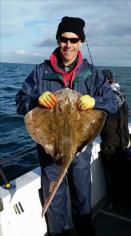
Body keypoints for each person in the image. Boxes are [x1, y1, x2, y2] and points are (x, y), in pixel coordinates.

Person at [15, 17, 118, 236]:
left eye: (74, 39)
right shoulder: (40, 72)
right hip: (50, 151)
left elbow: (111, 102)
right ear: (58, 39)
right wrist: (36, 100)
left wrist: (95, 101)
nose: (68, 45)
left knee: (82, 196)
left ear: (81, 42)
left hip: (80, 149)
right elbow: (20, 100)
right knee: (56, 199)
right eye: (64, 39)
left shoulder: (93, 74)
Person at [100, 69, 130, 205]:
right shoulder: (120, 93)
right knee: (123, 171)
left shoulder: (106, 97)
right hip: (123, 140)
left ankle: (116, 201)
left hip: (111, 143)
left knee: (114, 173)